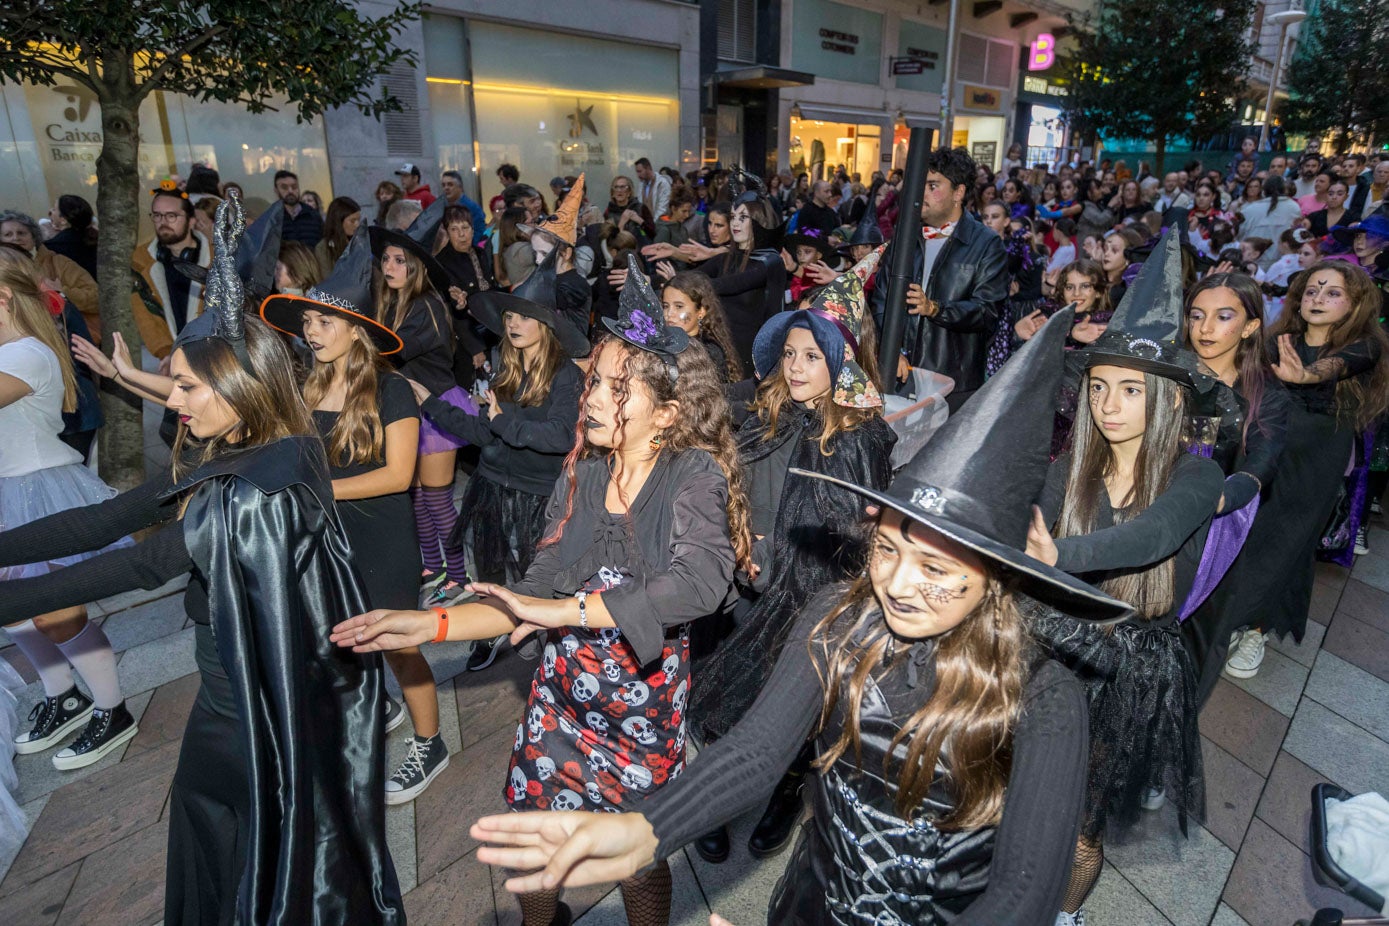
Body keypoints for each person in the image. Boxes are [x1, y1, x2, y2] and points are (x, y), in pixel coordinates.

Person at [470, 308, 1131, 926]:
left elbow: (1022, 896)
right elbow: (756, 752)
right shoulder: (839, 619)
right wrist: (644, 827)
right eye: (888, 548)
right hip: (814, 899)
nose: (898, 584)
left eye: (935, 570)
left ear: (1000, 576)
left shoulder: (1045, 695)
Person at [0, 194, 404, 923]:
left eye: (187, 386)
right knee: (219, 820)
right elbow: (104, 519)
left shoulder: (255, 486)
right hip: (239, 671)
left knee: (235, 826)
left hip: (252, 690)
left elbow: (133, 567)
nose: (174, 401)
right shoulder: (239, 446)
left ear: (240, 387)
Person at [331, 273, 752, 926]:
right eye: (596, 380)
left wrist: (566, 612)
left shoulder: (690, 476)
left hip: (639, 716)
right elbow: (524, 598)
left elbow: (700, 580)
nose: (592, 399)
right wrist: (426, 623)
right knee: (528, 844)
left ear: (668, 411)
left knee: (637, 861)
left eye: (618, 388)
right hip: (557, 704)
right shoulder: (582, 475)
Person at [1027, 229, 1226, 925]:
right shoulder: (1071, 469)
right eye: (1100, 388)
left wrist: (1057, 556)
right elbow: (1016, 507)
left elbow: (1153, 536)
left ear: (1168, 399)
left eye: (1129, 391)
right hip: (1050, 647)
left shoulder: (1195, 475)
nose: (1108, 405)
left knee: (1082, 823)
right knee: (1022, 797)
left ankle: (1062, 915)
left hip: (1129, 669)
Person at [691, 254, 896, 863]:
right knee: (728, 698)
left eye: (813, 356)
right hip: (741, 585)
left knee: (793, 708)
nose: (798, 368)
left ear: (842, 363)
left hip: (806, 597)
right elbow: (723, 474)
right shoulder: (762, 412)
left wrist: (777, 556)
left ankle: (783, 793)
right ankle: (715, 799)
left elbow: (851, 538)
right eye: (790, 354)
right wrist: (735, 539)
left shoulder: (858, 439)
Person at [260, 229, 453, 804]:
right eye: (308, 323)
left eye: (322, 322)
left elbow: (399, 476)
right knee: (336, 630)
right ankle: (377, 708)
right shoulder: (306, 384)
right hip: (324, 537)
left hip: (382, 537)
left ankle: (431, 743)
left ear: (356, 331)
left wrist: (318, 488)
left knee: (397, 641)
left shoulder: (392, 390)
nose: (310, 332)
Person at [415, 248, 589, 676]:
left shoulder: (567, 375)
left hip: (538, 497)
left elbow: (562, 436)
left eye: (524, 316)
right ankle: (487, 634)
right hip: (491, 487)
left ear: (546, 325)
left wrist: (503, 421)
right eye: (509, 315)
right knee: (489, 574)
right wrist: (433, 406)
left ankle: (542, 642)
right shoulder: (505, 369)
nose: (513, 323)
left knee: (538, 579)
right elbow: (482, 430)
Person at [1218, 262, 1389, 678]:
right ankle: (1225, 617)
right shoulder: (1278, 341)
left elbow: (1334, 367)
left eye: (1332, 293)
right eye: (1312, 290)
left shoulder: (1366, 346)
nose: (1318, 299)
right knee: (1244, 531)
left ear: (1355, 303)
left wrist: (1307, 374)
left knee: (1288, 538)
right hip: (1266, 451)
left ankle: (1255, 629)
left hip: (1315, 461)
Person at [0, 248, 134, 770]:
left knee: (57, 611)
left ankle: (112, 708)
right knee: (14, 610)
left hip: (41, 491)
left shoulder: (29, 353)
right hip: (9, 492)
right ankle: (64, 696)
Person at [1177, 273, 1291, 702]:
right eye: (1196, 315)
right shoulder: (1170, 370)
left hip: (1212, 531)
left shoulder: (1265, 394)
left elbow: (1264, 458)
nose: (1205, 329)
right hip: (1146, 510)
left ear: (1249, 326)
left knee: (1196, 640)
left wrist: (1229, 493)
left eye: (1223, 317)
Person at [370, 204, 476, 607]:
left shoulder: (427, 306)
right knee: (414, 498)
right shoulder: (390, 304)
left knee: (435, 499)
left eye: (400, 260)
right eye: (386, 259)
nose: (390, 266)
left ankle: (460, 577)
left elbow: (391, 355)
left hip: (435, 410)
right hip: (404, 409)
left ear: (416, 268)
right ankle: (434, 569)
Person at [870, 147, 1009, 412]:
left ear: (959, 192)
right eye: (919, 184)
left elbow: (987, 312)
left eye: (932, 185)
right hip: (900, 375)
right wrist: (890, 349)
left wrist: (935, 308)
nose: (922, 193)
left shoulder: (986, 244)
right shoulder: (905, 237)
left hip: (955, 383)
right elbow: (880, 301)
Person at [703, 174, 787, 376]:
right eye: (733, 217)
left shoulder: (770, 261)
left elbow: (731, 284)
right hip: (722, 353)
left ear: (758, 219)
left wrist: (692, 283)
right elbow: (695, 276)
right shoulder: (729, 257)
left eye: (743, 217)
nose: (735, 224)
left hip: (754, 358)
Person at [132, 180, 212, 364]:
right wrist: (167, 353)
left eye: (171, 216)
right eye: (157, 216)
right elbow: (144, 315)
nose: (163, 222)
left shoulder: (218, 258)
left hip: (213, 356)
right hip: (172, 359)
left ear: (192, 221)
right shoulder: (140, 261)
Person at [0, 210, 100, 344]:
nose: (15, 238)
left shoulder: (58, 263)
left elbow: (96, 296)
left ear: (34, 237)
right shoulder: (4, 271)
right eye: (8, 234)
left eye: (21, 233)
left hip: (70, 344)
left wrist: (62, 293)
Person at [435, 204, 495, 388]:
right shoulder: (442, 263)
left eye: (465, 228)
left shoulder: (479, 253)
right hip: (466, 340)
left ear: (472, 229)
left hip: (490, 332)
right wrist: (475, 348)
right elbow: (452, 313)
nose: (461, 235)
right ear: (447, 232)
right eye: (454, 229)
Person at [660, 269, 742, 383]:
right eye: (665, 306)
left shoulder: (710, 351)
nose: (669, 314)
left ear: (701, 312)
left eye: (679, 306)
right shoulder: (662, 343)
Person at [42, 194, 99, 280]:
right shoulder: (98, 239)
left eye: (54, 209)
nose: (50, 212)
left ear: (63, 220)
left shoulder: (52, 246)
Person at [274, 170, 323, 247]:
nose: (290, 191)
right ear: (276, 191)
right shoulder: (273, 220)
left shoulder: (313, 216)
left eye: (294, 187)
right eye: (284, 187)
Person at [317, 196, 363, 277]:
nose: (357, 225)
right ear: (338, 221)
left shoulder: (360, 243)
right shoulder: (323, 248)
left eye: (359, 220)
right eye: (353, 221)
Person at [439, 168, 487, 243]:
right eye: (443, 185)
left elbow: (479, 232)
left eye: (450, 184)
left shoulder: (472, 208)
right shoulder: (441, 207)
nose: (446, 188)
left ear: (460, 187)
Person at [605, 176, 655, 241]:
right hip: (619, 249)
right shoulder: (609, 211)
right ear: (613, 193)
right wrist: (621, 224)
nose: (619, 190)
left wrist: (640, 221)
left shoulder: (641, 208)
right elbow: (608, 241)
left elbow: (653, 234)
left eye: (623, 187)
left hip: (640, 248)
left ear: (629, 192)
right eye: (616, 187)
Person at [635, 157, 671, 224]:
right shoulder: (641, 184)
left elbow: (663, 209)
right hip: (645, 225)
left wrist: (653, 225)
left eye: (640, 171)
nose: (638, 175)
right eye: (637, 172)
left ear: (648, 168)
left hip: (660, 225)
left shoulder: (662, 183)